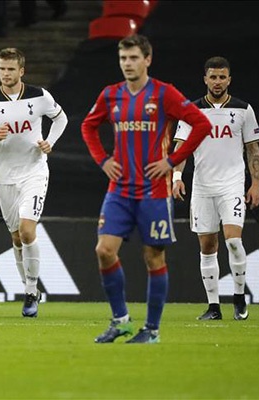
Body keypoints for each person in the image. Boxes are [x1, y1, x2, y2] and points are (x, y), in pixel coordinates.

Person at [81, 34, 212, 343]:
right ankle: (121, 320)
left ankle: (151, 330)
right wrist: (102, 159)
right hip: (119, 190)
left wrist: (173, 161)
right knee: (103, 250)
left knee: (153, 257)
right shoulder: (111, 95)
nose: (128, 64)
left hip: (154, 191)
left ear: (147, 60)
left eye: (133, 58)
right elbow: (88, 126)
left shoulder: (164, 94)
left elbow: (201, 124)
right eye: (123, 58)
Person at [0, 47, 68, 317]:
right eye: (2, 68)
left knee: (26, 230)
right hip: (5, 176)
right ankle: (29, 288)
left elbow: (61, 118)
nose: (6, 74)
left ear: (21, 71)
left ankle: (31, 291)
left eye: (11, 69)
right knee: (15, 236)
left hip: (34, 171)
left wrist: (51, 142)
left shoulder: (39, 96)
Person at [172, 56, 259, 321]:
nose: (218, 81)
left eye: (222, 77)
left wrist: (255, 183)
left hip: (232, 184)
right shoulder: (191, 110)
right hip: (202, 186)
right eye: (213, 77)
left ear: (229, 80)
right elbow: (181, 147)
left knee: (233, 241)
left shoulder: (243, 110)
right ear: (205, 79)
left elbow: (253, 148)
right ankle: (214, 307)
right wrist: (177, 175)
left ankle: (238, 298)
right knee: (207, 246)